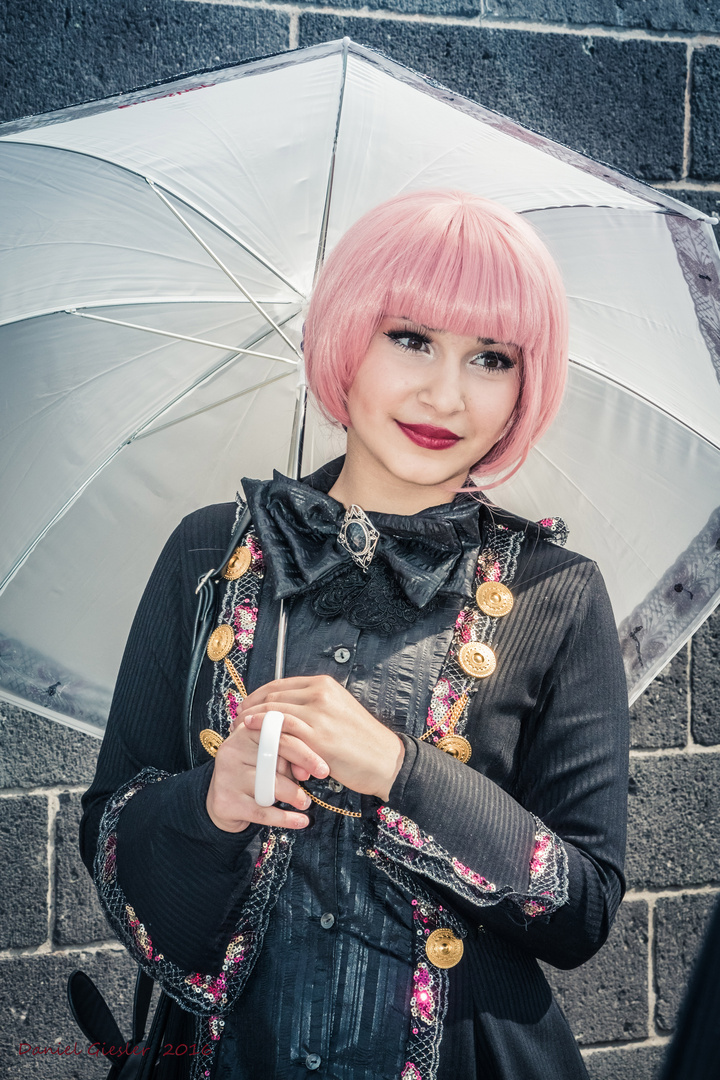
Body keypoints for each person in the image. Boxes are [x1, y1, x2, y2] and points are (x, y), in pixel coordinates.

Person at [80, 189, 629, 1080]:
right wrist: (211, 804)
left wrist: (399, 771)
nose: (444, 394)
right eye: (409, 338)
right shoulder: (207, 554)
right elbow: (108, 825)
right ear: (348, 337)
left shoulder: (556, 593)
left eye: (490, 357)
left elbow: (585, 910)